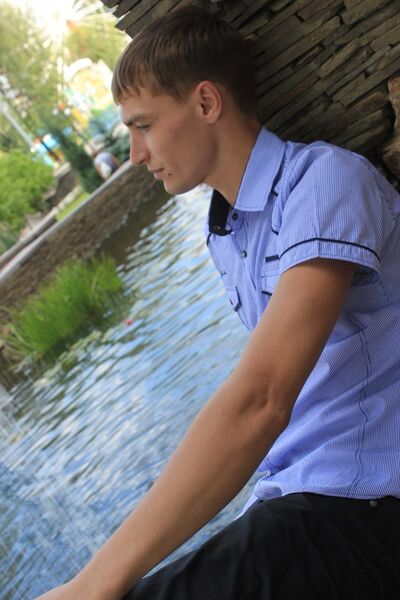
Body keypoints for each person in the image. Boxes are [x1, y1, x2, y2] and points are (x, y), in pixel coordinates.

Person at [38, 6, 400, 600]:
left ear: (206, 102)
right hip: (303, 495)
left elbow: (261, 399)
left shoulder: (323, 182)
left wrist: (91, 584)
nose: (134, 153)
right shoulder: (227, 233)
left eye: (143, 125)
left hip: (367, 499)